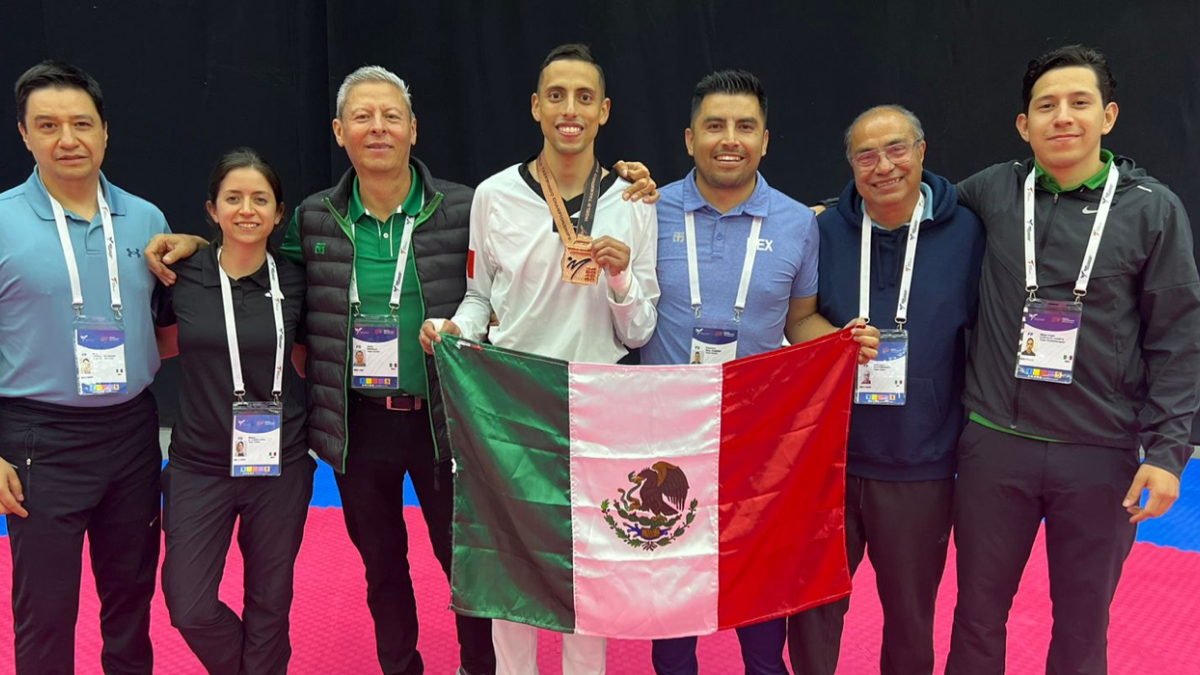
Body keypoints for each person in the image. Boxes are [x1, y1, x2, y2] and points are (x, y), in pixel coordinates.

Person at [146, 62, 657, 675]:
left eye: (392, 116)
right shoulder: (312, 219)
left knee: (468, 563)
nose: (378, 128)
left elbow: (512, 268)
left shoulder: (467, 205)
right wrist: (202, 246)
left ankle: (479, 669)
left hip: (447, 423)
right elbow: (251, 262)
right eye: (362, 116)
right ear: (339, 131)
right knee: (382, 569)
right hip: (358, 430)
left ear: (414, 129)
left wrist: (631, 180)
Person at [945, 45, 1200, 675]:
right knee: (975, 617)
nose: (1063, 117)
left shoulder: (1152, 209)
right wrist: (827, 215)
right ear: (1022, 125)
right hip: (995, 447)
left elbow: (1178, 338)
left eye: (1079, 102)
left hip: (1100, 453)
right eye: (1046, 105)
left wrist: (1169, 455)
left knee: (1084, 626)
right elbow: (903, 206)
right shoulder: (991, 192)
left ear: (1107, 116)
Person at [422, 43, 660, 675]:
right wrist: (455, 328)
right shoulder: (494, 196)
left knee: (588, 563)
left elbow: (640, 330)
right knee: (512, 562)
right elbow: (478, 297)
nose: (570, 110)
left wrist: (619, 276)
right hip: (511, 398)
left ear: (604, 111)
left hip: (597, 399)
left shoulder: (635, 202)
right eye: (556, 95)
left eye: (584, 97)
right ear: (536, 106)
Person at [639, 70, 878, 675]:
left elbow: (800, 322)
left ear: (765, 140)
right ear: (689, 137)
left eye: (745, 126)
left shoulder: (800, 222)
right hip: (667, 434)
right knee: (672, 591)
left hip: (762, 439)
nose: (730, 138)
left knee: (762, 591)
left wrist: (842, 343)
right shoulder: (645, 211)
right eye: (714, 125)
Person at [786, 105, 984, 675]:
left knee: (910, 617)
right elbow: (797, 321)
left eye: (897, 149)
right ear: (850, 165)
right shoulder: (821, 230)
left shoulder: (968, 230)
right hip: (829, 459)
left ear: (922, 151)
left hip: (920, 461)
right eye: (866, 155)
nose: (883, 166)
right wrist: (834, 342)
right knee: (813, 613)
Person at [0, 61, 170, 674]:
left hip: (131, 433)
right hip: (36, 440)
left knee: (130, 602)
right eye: (48, 125)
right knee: (44, 611)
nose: (66, 139)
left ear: (105, 132)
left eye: (81, 124)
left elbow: (171, 321)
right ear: (23, 133)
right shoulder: (1, 222)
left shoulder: (147, 220)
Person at [154, 149, 311, 674]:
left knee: (271, 603)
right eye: (234, 198)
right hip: (199, 465)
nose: (247, 209)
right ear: (212, 210)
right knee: (188, 605)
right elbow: (158, 345)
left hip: (280, 465)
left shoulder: (297, 280)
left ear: (278, 212)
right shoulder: (182, 275)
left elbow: (312, 357)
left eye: (260, 199)